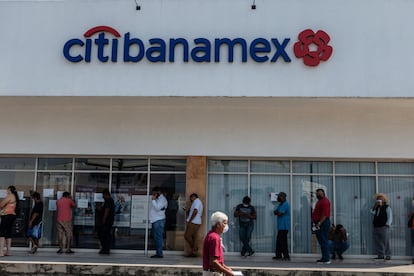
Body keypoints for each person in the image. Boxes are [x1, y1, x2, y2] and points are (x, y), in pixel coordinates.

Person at [202, 211, 234, 276]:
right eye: (224, 223)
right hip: (213, 273)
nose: (226, 226)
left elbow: (217, 260)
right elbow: (213, 261)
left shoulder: (211, 235)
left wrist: (225, 267)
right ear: (218, 225)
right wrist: (227, 272)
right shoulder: (215, 238)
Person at [311, 188, 331, 264]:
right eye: (317, 193)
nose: (318, 194)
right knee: (321, 241)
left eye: (319, 193)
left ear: (323, 193)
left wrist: (319, 223)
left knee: (323, 240)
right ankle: (324, 257)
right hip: (319, 223)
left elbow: (325, 215)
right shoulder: (320, 201)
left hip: (322, 223)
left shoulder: (325, 202)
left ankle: (326, 259)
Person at [371, 193, 392, 260]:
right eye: (378, 198)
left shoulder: (387, 207)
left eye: (380, 198)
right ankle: (380, 255)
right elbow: (372, 212)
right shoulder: (376, 207)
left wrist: (388, 224)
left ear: (384, 200)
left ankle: (388, 255)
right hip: (376, 227)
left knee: (386, 242)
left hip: (383, 227)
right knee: (377, 242)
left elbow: (390, 216)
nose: (379, 199)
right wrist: (375, 205)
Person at [0, 185, 19, 257]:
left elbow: (1, 205)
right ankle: (8, 251)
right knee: (8, 233)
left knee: (2, 233)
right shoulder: (15, 197)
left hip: (6, 215)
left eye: (7, 190)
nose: (6, 191)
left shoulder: (10, 196)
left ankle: (1, 251)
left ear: (9, 190)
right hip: (12, 215)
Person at [149, 186, 168, 258]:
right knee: (156, 237)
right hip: (155, 220)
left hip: (159, 220)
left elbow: (157, 208)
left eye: (154, 193)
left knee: (158, 237)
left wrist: (153, 200)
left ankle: (159, 253)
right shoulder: (159, 199)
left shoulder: (162, 199)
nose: (153, 194)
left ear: (158, 192)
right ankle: (158, 252)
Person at [96, 189, 115, 255]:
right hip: (108, 221)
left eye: (103, 195)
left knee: (104, 235)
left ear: (105, 194)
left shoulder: (108, 200)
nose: (102, 197)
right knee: (105, 235)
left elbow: (107, 210)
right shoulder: (110, 200)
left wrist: (104, 219)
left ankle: (105, 249)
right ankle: (105, 249)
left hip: (107, 222)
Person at [273, 192, 290, 261]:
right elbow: (275, 212)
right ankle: (278, 255)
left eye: (279, 197)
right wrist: (277, 212)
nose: (278, 198)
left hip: (284, 226)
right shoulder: (280, 204)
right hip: (280, 226)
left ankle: (286, 256)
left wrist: (277, 212)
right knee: (279, 241)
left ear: (283, 197)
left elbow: (280, 213)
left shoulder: (285, 204)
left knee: (283, 241)